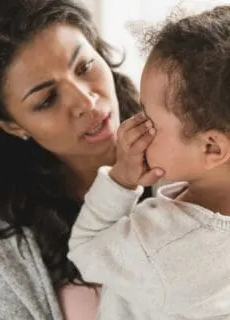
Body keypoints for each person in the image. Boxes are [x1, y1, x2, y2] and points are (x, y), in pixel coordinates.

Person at [0, 0, 153, 319]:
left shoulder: (196, 137)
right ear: (11, 125)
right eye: (47, 99)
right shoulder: (5, 247)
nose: (86, 102)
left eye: (84, 67)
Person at [68, 5, 230, 320]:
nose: (135, 122)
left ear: (212, 147)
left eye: (149, 118)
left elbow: (86, 249)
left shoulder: (158, 244)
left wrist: (120, 181)